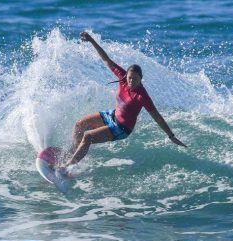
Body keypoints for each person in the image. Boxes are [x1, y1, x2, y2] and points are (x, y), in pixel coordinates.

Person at [57, 31, 186, 174]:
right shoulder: (123, 77)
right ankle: (75, 154)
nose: (131, 81)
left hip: (122, 128)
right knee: (80, 124)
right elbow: (106, 60)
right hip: (112, 115)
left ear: (141, 78)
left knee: (88, 137)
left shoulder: (142, 96)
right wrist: (92, 40)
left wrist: (171, 136)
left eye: (135, 79)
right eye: (130, 78)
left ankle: (68, 166)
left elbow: (157, 117)